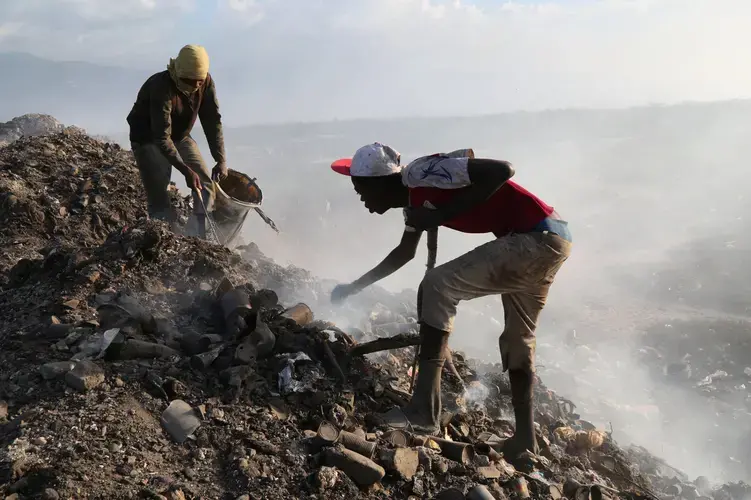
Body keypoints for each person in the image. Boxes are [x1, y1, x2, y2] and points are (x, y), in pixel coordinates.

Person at [329, 143, 572, 462]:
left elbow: (502, 170)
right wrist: (354, 287)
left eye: (360, 187)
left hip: (534, 238)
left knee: (437, 285)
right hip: (553, 240)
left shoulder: (419, 173)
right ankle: (525, 439)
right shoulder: (413, 202)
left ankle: (423, 412)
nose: (360, 197)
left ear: (379, 182)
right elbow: (404, 253)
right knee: (518, 339)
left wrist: (440, 215)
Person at [127, 44, 228, 238]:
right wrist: (185, 170)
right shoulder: (161, 88)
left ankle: (196, 237)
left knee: (205, 184)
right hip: (148, 138)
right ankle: (162, 240)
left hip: (180, 135)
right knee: (159, 195)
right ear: (177, 74)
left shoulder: (205, 81)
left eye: (199, 81)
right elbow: (161, 137)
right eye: (189, 82)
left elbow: (212, 120)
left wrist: (220, 159)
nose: (195, 86)